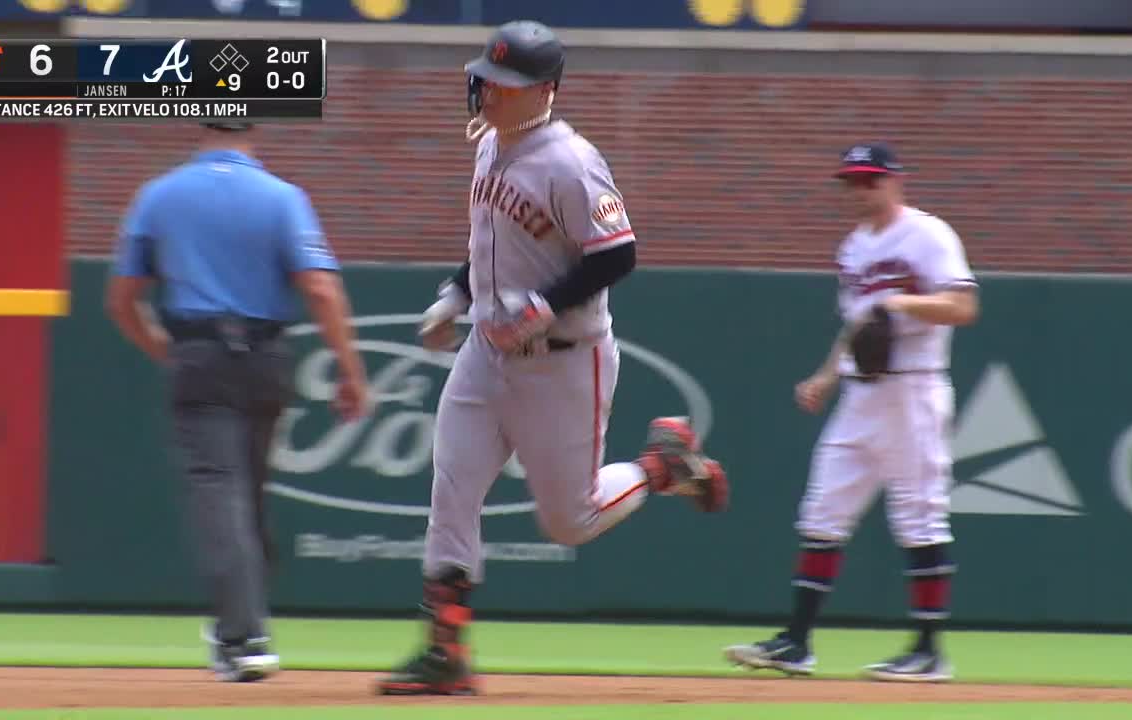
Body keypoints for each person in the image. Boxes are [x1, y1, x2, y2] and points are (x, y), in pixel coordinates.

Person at [375, 21, 730, 697]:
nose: (487, 92)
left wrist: (543, 302)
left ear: (543, 91)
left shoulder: (571, 161)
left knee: (570, 519)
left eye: (504, 84)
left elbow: (617, 253)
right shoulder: (489, 148)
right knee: (452, 489)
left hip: (565, 359)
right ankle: (445, 652)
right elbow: (489, 243)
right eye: (487, 77)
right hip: (486, 352)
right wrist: (454, 294)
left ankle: (662, 464)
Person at [106, 121, 369, 682]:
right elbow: (320, 288)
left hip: (199, 354)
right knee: (244, 498)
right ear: (254, 129)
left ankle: (245, 636)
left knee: (221, 498)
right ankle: (239, 626)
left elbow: (122, 300)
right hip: (265, 359)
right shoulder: (282, 197)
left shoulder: (159, 195)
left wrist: (162, 348)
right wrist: (350, 372)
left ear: (198, 124)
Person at [723, 142, 979, 683]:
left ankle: (929, 651)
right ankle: (796, 644)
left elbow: (963, 306)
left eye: (870, 179)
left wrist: (902, 303)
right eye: (851, 180)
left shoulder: (929, 234)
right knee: (822, 513)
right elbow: (858, 326)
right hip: (862, 396)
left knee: (920, 515)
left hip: (914, 392)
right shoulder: (853, 248)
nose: (860, 189)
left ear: (894, 181)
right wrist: (825, 374)